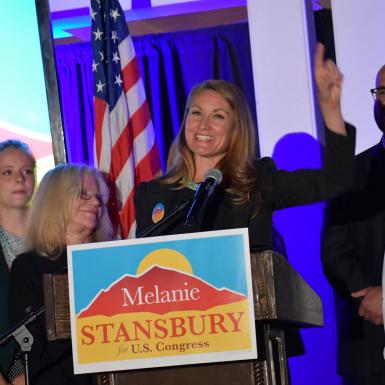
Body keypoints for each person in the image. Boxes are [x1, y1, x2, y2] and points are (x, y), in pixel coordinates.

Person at [134, 44, 355, 250]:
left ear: (236, 129)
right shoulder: (152, 194)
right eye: (197, 113)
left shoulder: (259, 184)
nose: (203, 125)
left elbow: (337, 179)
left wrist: (330, 107)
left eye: (218, 116)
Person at [8, 164, 114, 385]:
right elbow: (34, 350)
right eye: (83, 194)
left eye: (98, 197)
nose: (96, 202)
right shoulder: (29, 268)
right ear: (55, 201)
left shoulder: (113, 261)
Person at [321, 64, 385, 385]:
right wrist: (374, 299)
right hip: (368, 343)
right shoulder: (353, 174)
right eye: (383, 92)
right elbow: (335, 250)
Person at [0, 140, 36, 385]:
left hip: (54, 366)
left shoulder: (55, 235)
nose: (20, 179)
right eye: (7, 172)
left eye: (27, 171)